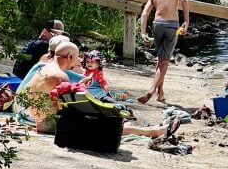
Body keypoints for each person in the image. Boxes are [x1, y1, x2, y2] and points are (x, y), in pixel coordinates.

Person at [16, 42, 181, 138]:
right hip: (50, 124)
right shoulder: (61, 76)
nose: (80, 61)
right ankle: (154, 131)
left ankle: (151, 129)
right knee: (105, 124)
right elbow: (71, 107)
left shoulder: (44, 67)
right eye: (78, 57)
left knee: (106, 116)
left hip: (39, 119)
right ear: (69, 57)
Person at [137, 0, 190, 104]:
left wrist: (143, 33)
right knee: (164, 62)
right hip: (172, 26)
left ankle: (160, 94)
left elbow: (144, 14)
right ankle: (152, 90)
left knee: (161, 59)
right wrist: (186, 21)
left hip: (157, 25)